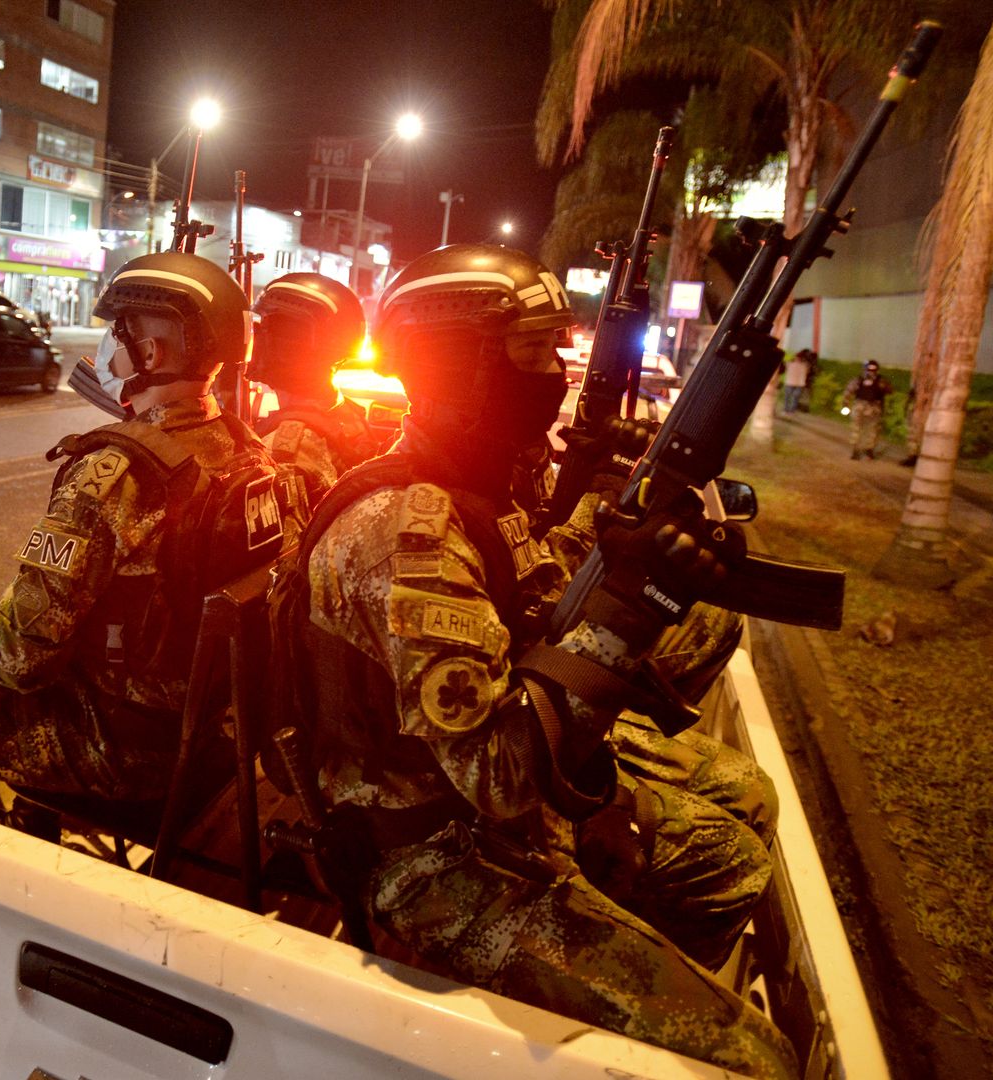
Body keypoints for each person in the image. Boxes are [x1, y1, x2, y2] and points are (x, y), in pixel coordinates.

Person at [274, 244, 793, 1079]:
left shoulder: (475, 482)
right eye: (534, 350)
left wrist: (616, 527)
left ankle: (621, 1001)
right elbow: (502, 776)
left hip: (477, 800)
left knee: (740, 825)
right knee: (751, 1059)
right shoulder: (404, 535)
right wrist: (628, 610)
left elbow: (536, 605)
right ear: (460, 360)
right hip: (424, 853)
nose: (556, 370)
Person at [0, 252, 304, 801]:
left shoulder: (116, 474)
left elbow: (18, 663)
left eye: (120, 330)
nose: (110, 343)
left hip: (114, 749)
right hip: (208, 736)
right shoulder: (250, 454)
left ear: (151, 351)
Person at [247, 272, 380, 505]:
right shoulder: (345, 413)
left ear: (290, 346)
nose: (255, 339)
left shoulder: (284, 450)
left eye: (267, 329)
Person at [843, 359, 894, 460]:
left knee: (872, 430)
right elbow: (848, 391)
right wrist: (845, 404)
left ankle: (868, 450)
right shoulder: (858, 380)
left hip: (873, 407)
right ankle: (856, 450)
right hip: (860, 406)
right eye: (869, 370)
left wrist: (882, 386)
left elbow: (889, 390)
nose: (870, 372)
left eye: (873, 370)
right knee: (857, 428)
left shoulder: (880, 381)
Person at [780, 348, 812, 414]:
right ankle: (789, 410)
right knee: (792, 398)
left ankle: (788, 410)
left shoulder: (793, 364)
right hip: (796, 383)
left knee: (791, 398)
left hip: (793, 382)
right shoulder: (804, 365)